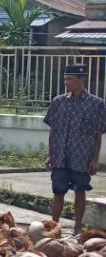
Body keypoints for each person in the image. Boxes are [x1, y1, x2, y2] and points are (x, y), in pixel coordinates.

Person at [43, 63, 106, 236]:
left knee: (80, 190)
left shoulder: (97, 104)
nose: (66, 82)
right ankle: (54, 226)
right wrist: (50, 155)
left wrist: (94, 160)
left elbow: (98, 134)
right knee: (58, 191)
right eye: (65, 79)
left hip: (82, 157)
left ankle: (77, 227)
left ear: (81, 79)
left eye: (69, 79)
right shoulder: (58, 102)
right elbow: (53, 130)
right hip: (60, 156)